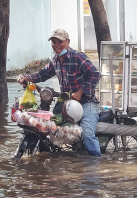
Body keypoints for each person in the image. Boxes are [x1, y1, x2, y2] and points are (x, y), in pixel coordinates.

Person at [17, 28, 102, 157]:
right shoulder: (55, 61)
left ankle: (96, 165)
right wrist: (26, 78)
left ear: (67, 42)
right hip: (66, 104)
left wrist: (80, 91)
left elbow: (95, 74)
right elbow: (42, 74)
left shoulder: (78, 57)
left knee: (87, 134)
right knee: (47, 127)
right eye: (53, 42)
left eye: (59, 41)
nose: (56, 45)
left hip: (86, 103)